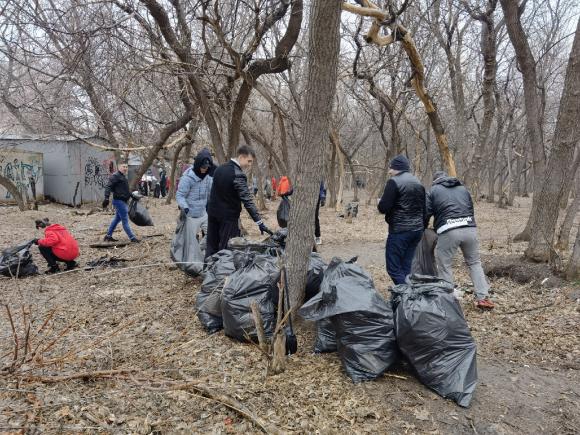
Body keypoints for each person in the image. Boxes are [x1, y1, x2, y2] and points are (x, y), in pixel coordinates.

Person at [426, 171, 494, 309]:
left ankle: (448, 299)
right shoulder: (463, 188)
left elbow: (426, 212)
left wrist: (424, 227)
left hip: (448, 230)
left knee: (444, 265)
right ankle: (484, 298)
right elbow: (470, 208)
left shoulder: (433, 190)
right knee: (474, 263)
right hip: (470, 228)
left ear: (435, 181)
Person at [205, 145, 273, 259]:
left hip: (212, 214)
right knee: (227, 249)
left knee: (211, 245)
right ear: (241, 157)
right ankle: (223, 275)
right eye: (249, 161)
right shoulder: (238, 175)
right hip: (228, 218)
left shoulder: (219, 169)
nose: (250, 165)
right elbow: (247, 200)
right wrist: (259, 222)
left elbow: (212, 193)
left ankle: (208, 271)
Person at [377, 155, 425, 285]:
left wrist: (380, 202)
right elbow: (424, 207)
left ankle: (407, 295)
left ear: (396, 168)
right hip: (417, 231)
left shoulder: (394, 182)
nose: (389, 171)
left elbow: (383, 207)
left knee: (393, 268)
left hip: (400, 231)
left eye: (390, 168)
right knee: (406, 266)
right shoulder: (417, 182)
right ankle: (406, 297)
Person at [176, 148, 214, 237]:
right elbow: (180, 195)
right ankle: (194, 248)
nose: (205, 169)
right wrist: (184, 207)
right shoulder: (187, 178)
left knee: (211, 236)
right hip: (191, 216)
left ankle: (202, 249)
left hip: (203, 213)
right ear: (198, 165)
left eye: (207, 167)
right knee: (191, 240)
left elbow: (211, 193)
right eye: (203, 167)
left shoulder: (208, 178)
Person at [102, 163, 140, 243]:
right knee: (125, 220)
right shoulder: (115, 176)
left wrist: (132, 195)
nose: (125, 168)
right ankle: (132, 237)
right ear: (119, 167)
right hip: (119, 201)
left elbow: (125, 190)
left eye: (126, 167)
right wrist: (106, 198)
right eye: (123, 167)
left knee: (117, 219)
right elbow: (108, 186)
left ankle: (108, 236)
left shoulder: (123, 176)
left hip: (123, 201)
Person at [315, 180, 326, 245]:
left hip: (316, 198)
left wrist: (322, 198)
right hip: (304, 199)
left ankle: (318, 237)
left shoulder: (317, 174)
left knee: (315, 217)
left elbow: (321, 188)